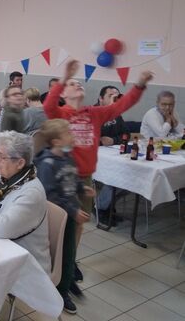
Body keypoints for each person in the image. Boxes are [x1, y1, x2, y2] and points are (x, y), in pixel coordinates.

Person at [43, 59, 153, 281]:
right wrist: (64, 77)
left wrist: (139, 84)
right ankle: (55, 260)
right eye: (72, 85)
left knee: (79, 224)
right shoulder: (61, 114)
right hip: (63, 179)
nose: (78, 85)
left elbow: (121, 105)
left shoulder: (94, 113)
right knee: (60, 222)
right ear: (63, 93)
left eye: (79, 83)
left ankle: (70, 260)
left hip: (84, 179)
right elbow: (48, 106)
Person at [34, 119, 95, 314]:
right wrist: (73, 211)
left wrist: (81, 188)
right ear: (57, 141)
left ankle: (64, 281)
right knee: (63, 253)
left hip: (69, 213)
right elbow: (51, 196)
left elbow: (72, 177)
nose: (72, 135)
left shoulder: (67, 157)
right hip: (59, 217)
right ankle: (61, 291)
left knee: (67, 253)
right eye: (68, 133)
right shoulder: (47, 164)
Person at [0, 131, 51, 274]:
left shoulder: (32, 193)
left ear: (20, 163)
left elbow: (3, 228)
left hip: (25, 265)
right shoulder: (2, 176)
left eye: (1, 157)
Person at [94, 85, 128, 226]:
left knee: (128, 177)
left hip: (114, 156)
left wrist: (114, 140)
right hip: (92, 159)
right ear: (101, 99)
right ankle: (101, 208)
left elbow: (126, 135)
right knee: (115, 177)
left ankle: (107, 206)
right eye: (111, 96)